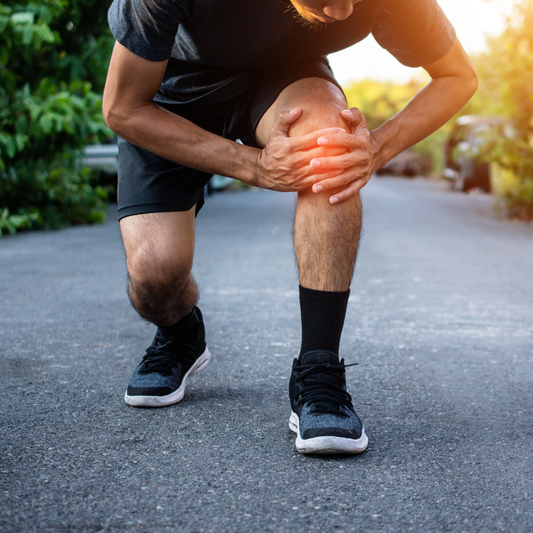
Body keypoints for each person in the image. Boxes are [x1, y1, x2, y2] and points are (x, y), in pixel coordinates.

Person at [102, 0, 478, 455]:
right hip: (170, 93)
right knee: (155, 273)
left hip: (286, 79)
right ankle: (180, 334)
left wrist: (374, 148)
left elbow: (459, 76)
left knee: (330, 147)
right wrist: (254, 167)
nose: (342, 11)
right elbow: (123, 107)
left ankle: (318, 370)